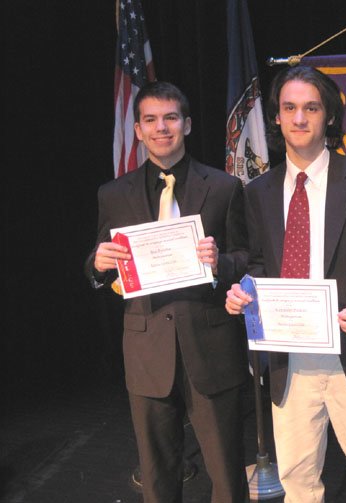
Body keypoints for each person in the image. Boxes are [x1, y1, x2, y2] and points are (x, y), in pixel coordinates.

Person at [225, 65, 346, 503]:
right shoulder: (258, 192)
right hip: (288, 359)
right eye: (289, 108)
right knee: (298, 482)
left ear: (329, 115)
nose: (299, 119)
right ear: (276, 117)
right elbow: (258, 263)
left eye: (311, 108)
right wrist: (245, 290)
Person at [84, 81, 249, 502]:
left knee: (227, 474)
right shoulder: (113, 194)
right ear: (137, 129)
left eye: (171, 118)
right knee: (157, 475)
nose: (162, 128)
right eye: (151, 120)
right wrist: (98, 266)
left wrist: (221, 264)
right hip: (147, 351)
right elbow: (100, 262)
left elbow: (248, 257)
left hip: (210, 348)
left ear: (187, 124)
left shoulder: (224, 187)